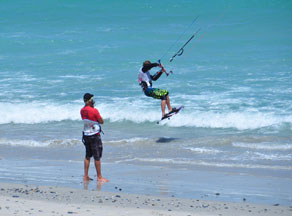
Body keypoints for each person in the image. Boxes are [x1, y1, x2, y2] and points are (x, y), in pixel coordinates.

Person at [80, 93, 109, 183]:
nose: (93, 101)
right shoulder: (94, 110)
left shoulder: (82, 110)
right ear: (89, 101)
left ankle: (85, 175)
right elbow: (101, 121)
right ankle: (99, 177)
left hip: (86, 134)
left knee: (87, 155)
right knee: (97, 157)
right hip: (94, 135)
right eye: (92, 100)